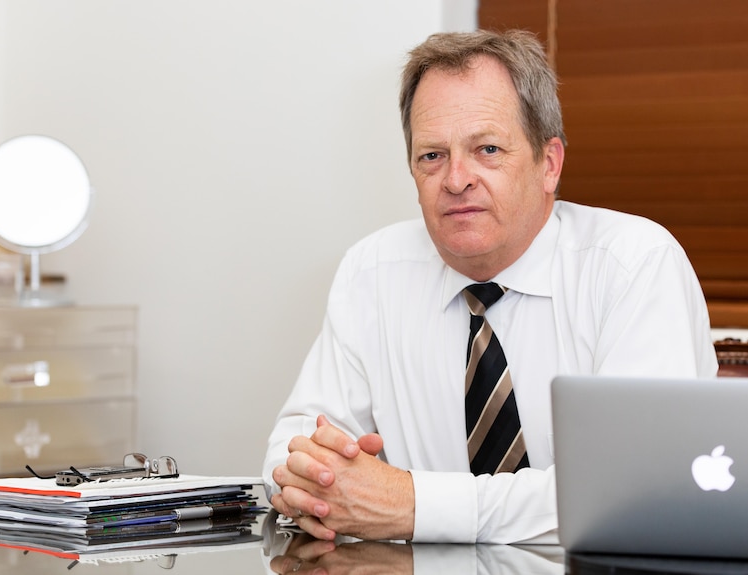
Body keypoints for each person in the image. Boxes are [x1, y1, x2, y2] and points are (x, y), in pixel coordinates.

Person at [262, 29, 718, 545]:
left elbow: (638, 490)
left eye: (488, 148)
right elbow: (292, 445)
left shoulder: (633, 266)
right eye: (432, 156)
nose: (456, 179)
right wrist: (322, 479)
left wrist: (413, 505)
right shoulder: (372, 272)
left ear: (549, 164)